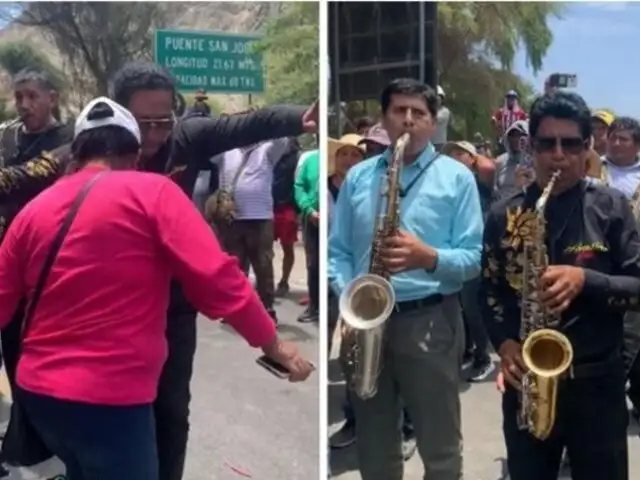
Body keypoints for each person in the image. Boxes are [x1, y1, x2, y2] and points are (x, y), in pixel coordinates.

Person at [0, 61, 317, 480]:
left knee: (167, 415)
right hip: (112, 375)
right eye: (144, 123)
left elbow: (246, 125)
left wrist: (300, 118)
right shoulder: (147, 188)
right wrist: (273, 345)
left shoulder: (184, 139)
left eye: (162, 121)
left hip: (80, 369)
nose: (154, 134)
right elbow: (220, 280)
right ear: (126, 125)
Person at [328, 78, 483, 480]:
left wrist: (427, 257)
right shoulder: (359, 178)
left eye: (419, 113)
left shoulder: (456, 177)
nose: (409, 121)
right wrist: (349, 298)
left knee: (440, 443)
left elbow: (472, 259)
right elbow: (338, 250)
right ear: (385, 119)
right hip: (366, 322)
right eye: (400, 111)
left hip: (430, 321)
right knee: (375, 444)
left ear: (433, 123)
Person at [480, 91, 636, 480]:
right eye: (547, 143)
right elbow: (488, 290)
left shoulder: (612, 207)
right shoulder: (505, 214)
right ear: (531, 146)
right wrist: (504, 342)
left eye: (570, 143)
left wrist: (586, 280)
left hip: (598, 384)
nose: (558, 155)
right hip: (527, 381)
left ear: (587, 147)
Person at [209, 138, 292, 322]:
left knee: (263, 266)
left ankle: (267, 310)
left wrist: (263, 124)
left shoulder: (268, 150)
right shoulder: (225, 150)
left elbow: (283, 138)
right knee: (235, 267)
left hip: (260, 219)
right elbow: (210, 143)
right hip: (231, 219)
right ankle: (235, 309)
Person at [442, 140, 496, 381]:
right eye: (451, 153)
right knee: (461, 308)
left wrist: (476, 154)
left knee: (474, 308)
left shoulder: (480, 181)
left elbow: (489, 166)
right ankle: (468, 351)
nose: (454, 157)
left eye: (460, 153)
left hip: (476, 254)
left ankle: (484, 358)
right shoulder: (448, 183)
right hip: (454, 253)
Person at [294, 147, 320, 323]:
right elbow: (299, 186)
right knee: (313, 265)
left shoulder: (339, 159)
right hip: (312, 220)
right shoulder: (310, 160)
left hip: (335, 219)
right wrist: (308, 209)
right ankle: (314, 306)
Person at [272, 138, 301, 297]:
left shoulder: (297, 158)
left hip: (288, 208)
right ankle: (267, 280)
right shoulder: (271, 155)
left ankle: (284, 281)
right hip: (268, 207)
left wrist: (297, 210)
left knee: (287, 247)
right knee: (264, 249)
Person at [431, 85, 451, 151]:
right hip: (428, 142)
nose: (437, 99)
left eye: (439, 98)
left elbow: (434, 119)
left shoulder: (445, 111)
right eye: (436, 98)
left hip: (439, 143)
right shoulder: (430, 110)